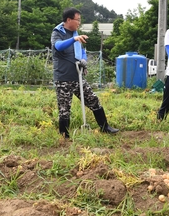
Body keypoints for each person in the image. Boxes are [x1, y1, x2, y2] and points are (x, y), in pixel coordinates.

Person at [51, 7, 119, 137]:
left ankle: (105, 127)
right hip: (63, 78)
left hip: (78, 77)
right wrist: (73, 40)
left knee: (93, 100)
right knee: (64, 109)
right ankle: (64, 136)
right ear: (69, 19)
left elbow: (81, 51)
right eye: (78, 20)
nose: (79, 23)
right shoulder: (57, 33)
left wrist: (84, 60)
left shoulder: (76, 34)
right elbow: (58, 46)